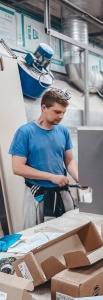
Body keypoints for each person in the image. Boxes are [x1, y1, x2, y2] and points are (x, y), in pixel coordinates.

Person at [9, 88, 78, 229]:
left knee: (69, 231)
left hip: (62, 192)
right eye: (57, 112)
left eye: (64, 113)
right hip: (37, 196)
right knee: (38, 237)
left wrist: (80, 178)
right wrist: (51, 177)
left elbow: (69, 160)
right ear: (44, 107)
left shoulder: (63, 131)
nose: (61, 116)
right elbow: (17, 167)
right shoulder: (25, 132)